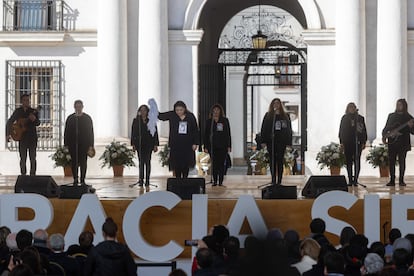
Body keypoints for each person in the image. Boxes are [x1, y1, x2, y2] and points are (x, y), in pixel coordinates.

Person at [159, 101, 199, 178]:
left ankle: (185, 179)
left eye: (181, 110)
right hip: (176, 144)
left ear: (184, 109)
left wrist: (195, 143)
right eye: (177, 110)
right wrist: (153, 110)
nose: (179, 112)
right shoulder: (172, 115)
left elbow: (195, 130)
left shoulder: (190, 116)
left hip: (187, 144)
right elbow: (161, 116)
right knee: (177, 164)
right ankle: (177, 180)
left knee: (186, 163)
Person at [6, 94, 40, 176]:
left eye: (28, 100)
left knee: (32, 157)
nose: (27, 102)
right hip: (22, 137)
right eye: (25, 100)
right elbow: (10, 122)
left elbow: (38, 123)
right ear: (22, 101)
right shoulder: (18, 111)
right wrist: (8, 134)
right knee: (23, 158)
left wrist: (34, 119)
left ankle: (33, 175)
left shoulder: (33, 111)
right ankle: (23, 175)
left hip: (32, 137)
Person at [382, 99, 414, 186]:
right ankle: (392, 180)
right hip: (392, 142)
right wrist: (384, 135)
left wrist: (411, 127)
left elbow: (412, 132)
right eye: (397, 104)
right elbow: (386, 127)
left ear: (404, 106)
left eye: (400, 105)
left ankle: (401, 180)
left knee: (402, 161)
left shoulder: (409, 117)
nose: (398, 106)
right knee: (391, 161)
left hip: (403, 143)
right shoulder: (391, 116)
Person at [260, 98, 292, 185]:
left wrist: (289, 143)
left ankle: (280, 180)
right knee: (272, 161)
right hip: (272, 142)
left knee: (280, 161)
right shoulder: (269, 115)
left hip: (281, 142)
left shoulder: (285, 116)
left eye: (278, 103)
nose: (276, 105)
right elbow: (264, 129)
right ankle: (273, 179)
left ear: (280, 105)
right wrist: (263, 141)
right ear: (272, 105)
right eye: (274, 103)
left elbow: (289, 130)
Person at [64, 100, 94, 185]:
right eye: (77, 107)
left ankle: (83, 179)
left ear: (82, 107)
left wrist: (91, 145)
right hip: (73, 144)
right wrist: (66, 145)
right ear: (74, 107)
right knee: (74, 162)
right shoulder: (71, 118)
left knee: (83, 162)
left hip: (84, 144)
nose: (78, 108)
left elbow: (90, 132)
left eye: (80, 106)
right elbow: (67, 132)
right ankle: (75, 178)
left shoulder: (87, 118)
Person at [339, 102, 367, 186]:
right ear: (347, 109)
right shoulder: (345, 118)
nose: (352, 109)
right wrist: (342, 142)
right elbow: (341, 131)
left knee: (357, 161)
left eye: (353, 107)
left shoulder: (360, 118)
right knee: (349, 161)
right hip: (347, 142)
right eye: (350, 107)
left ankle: (356, 179)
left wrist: (363, 141)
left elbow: (363, 131)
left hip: (357, 143)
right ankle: (350, 179)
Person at [131, 105, 159, 186]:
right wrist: (133, 144)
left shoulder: (151, 120)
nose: (143, 112)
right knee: (141, 162)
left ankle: (147, 180)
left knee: (147, 162)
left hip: (149, 144)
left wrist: (155, 144)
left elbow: (155, 133)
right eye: (141, 110)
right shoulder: (136, 121)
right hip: (139, 144)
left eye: (145, 110)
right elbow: (133, 133)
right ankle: (141, 179)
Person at [204, 104, 232, 186]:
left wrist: (229, 145)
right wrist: (205, 146)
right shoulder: (210, 121)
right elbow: (206, 134)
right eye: (214, 110)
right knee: (214, 164)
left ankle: (221, 181)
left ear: (220, 111)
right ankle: (215, 181)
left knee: (221, 164)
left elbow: (228, 134)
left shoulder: (224, 120)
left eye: (217, 110)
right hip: (212, 146)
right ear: (212, 112)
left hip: (222, 146)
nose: (216, 112)